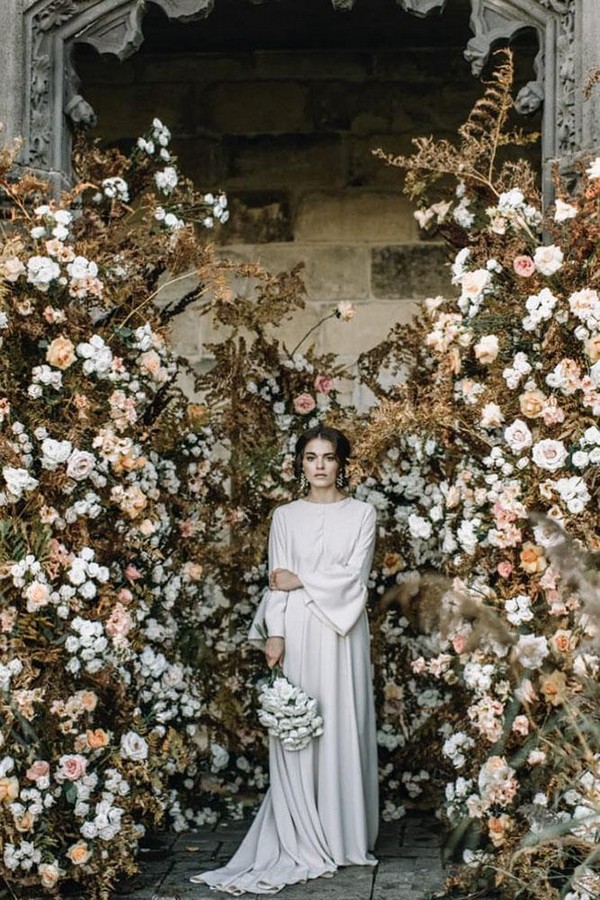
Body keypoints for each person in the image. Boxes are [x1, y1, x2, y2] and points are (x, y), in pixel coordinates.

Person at [191, 424, 379, 894]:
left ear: (341, 463)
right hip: (295, 630)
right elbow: (276, 580)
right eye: (311, 457)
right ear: (301, 464)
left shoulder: (362, 514)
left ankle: (342, 836)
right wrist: (275, 634)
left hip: (341, 632)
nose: (319, 465)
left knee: (340, 724)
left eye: (328, 457)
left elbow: (354, 578)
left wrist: (302, 579)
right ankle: (298, 828)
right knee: (299, 727)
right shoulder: (284, 517)